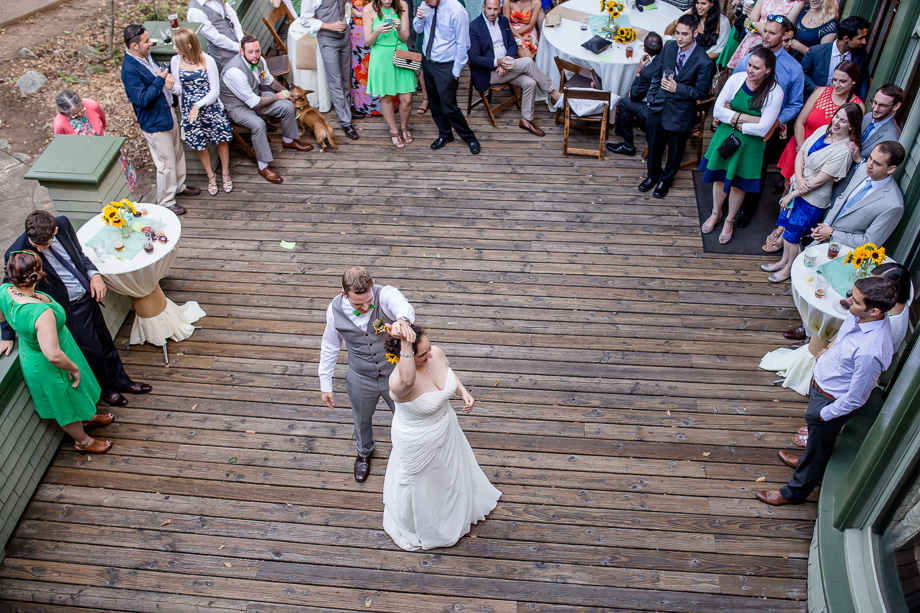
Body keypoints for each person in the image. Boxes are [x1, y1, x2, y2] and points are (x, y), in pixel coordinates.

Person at [756, 276, 897, 506]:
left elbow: (857, 397)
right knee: (816, 443)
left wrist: (824, 414)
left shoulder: (870, 352)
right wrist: (828, 350)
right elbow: (844, 337)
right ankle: (805, 459)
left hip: (830, 402)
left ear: (874, 311)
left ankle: (794, 493)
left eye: (856, 301)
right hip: (821, 387)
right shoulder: (860, 317)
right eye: (852, 295)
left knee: (820, 450)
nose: (847, 301)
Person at [1, 211, 152, 407]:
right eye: (35, 245)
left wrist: (94, 274)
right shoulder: (16, 253)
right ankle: (107, 390)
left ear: (55, 231)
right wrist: (6, 334)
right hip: (69, 308)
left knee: (106, 341)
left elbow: (79, 255)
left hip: (88, 295)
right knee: (93, 351)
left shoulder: (63, 224)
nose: (38, 249)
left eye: (43, 245)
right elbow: (9, 291)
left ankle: (122, 381)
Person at [382, 324, 502, 550]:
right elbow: (408, 381)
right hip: (418, 442)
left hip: (447, 428)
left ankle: (455, 508)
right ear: (406, 356)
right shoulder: (398, 383)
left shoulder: (434, 352)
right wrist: (405, 342)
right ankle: (429, 525)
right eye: (422, 354)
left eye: (428, 348)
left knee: (449, 474)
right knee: (423, 485)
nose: (430, 355)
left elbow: (447, 371)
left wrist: (463, 392)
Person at [0, 252, 113, 454]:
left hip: (43, 352)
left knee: (75, 393)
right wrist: (73, 367)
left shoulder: (4, 291)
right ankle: (83, 441)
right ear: (38, 273)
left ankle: (87, 417)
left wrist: (6, 335)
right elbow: (52, 355)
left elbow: (2, 314)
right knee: (65, 403)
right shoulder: (40, 313)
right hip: (52, 364)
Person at [318, 267, 416, 482]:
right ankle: (364, 452)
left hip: (394, 373)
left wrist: (402, 320)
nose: (364, 308)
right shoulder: (334, 310)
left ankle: (410, 452)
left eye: (368, 301)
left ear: (372, 285)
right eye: (357, 304)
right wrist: (325, 383)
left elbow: (403, 306)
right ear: (344, 294)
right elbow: (330, 346)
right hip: (360, 376)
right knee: (361, 419)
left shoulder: (385, 294)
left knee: (407, 415)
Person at [762, 102, 861, 283]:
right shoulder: (823, 130)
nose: (836, 122)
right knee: (787, 229)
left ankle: (789, 269)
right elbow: (801, 152)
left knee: (794, 235)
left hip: (812, 200)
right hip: (798, 186)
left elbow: (820, 180)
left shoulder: (844, 151)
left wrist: (792, 194)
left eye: (843, 121)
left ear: (851, 126)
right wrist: (799, 179)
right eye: (837, 116)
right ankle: (783, 261)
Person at [700, 46, 783, 244]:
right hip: (725, 137)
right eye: (749, 65)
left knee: (739, 184)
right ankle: (716, 213)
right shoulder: (736, 79)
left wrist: (734, 118)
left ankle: (729, 220)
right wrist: (749, 118)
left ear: (768, 70)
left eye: (756, 67)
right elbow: (718, 111)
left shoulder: (775, 92)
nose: (750, 70)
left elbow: (763, 129)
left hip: (750, 145)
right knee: (719, 178)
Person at [731, 15, 805, 229]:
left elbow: (795, 103)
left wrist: (776, 122)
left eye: (772, 33)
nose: (766, 36)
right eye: (765, 31)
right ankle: (729, 203)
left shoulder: (793, 69)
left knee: (756, 169)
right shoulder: (750, 57)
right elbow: (734, 84)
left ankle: (748, 208)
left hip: (768, 129)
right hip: (740, 122)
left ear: (785, 35)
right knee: (734, 161)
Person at [121, 24, 199, 216]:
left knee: (177, 152)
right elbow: (141, 100)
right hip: (154, 121)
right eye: (146, 41)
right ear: (134, 46)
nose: (151, 43)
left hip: (166, 111)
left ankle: (179, 186)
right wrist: (159, 80)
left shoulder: (146, 55)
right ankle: (166, 200)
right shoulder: (129, 70)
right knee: (165, 163)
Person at [220, 35, 313, 184]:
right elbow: (254, 103)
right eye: (250, 52)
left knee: (287, 106)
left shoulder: (260, 61)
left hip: (254, 97)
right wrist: (277, 96)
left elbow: (269, 81)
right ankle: (263, 166)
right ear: (241, 52)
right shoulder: (234, 72)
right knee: (258, 125)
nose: (255, 55)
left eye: (257, 51)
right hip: (236, 107)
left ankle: (289, 140)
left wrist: (285, 92)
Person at [640, 14, 714, 199]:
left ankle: (666, 179)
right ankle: (652, 175)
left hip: (681, 113)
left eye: (684, 34)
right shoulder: (670, 47)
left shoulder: (704, 61)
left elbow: (701, 92)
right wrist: (652, 97)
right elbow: (657, 73)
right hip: (658, 106)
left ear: (695, 33)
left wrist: (677, 88)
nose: (679, 38)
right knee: (654, 146)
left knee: (674, 152)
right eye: (677, 33)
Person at [469, 0, 561, 138]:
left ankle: (526, 120)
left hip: (506, 66)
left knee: (530, 83)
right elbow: (474, 58)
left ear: (499, 9)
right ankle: (553, 93)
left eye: (495, 9)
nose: (492, 12)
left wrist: (506, 60)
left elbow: (512, 44)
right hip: (488, 72)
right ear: (483, 7)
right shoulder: (474, 27)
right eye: (489, 9)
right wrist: (497, 62)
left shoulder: (503, 21)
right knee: (528, 62)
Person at [169, 28, 234, 197]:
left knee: (221, 140)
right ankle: (211, 176)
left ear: (188, 45)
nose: (174, 48)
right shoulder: (175, 60)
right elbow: (179, 89)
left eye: (177, 45)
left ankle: (225, 173)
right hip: (190, 111)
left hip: (210, 106)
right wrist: (170, 88)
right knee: (200, 144)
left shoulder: (208, 61)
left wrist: (198, 104)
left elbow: (215, 91)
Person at [775, 60, 861, 181]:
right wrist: (802, 148)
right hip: (800, 144)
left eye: (842, 81)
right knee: (787, 185)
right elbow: (800, 122)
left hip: (823, 159)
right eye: (835, 80)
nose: (837, 85)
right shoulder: (821, 92)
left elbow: (850, 138)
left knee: (807, 188)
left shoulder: (857, 106)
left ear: (853, 81)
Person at [811, 140, 906, 249]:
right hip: (821, 239)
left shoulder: (893, 205)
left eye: (877, 163)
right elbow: (842, 199)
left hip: (845, 252)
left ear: (891, 169)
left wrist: (832, 234)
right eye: (870, 158)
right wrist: (825, 226)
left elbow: (869, 243)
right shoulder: (862, 169)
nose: (869, 165)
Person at [414, 0, 481, 154]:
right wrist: (419, 19)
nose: (426, 3)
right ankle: (445, 134)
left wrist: (456, 71)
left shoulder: (457, 10)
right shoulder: (426, 4)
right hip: (428, 61)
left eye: (429, 0)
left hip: (446, 66)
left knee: (449, 106)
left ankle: (469, 137)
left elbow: (463, 44)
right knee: (435, 103)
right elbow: (418, 29)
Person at [300, 0, 363, 140]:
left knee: (346, 76)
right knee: (336, 80)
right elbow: (304, 20)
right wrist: (328, 25)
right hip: (328, 40)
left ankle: (347, 109)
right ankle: (345, 122)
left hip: (344, 36)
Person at [830, 84, 903, 203]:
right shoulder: (868, 117)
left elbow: (880, 174)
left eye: (882, 105)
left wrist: (859, 160)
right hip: (834, 174)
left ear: (896, 106)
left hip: (848, 186)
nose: (875, 108)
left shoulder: (892, 138)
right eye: (874, 102)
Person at [53, 91, 138, 194]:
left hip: (105, 144)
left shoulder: (91, 105)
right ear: (65, 112)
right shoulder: (60, 123)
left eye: (81, 109)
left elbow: (102, 120)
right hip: (87, 157)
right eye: (75, 115)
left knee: (119, 172)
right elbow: (64, 144)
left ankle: (128, 191)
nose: (80, 114)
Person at [364, 0, 416, 147]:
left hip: (401, 52)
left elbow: (405, 37)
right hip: (381, 56)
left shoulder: (402, 5)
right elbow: (368, 42)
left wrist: (398, 29)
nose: (387, 1)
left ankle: (404, 127)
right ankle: (394, 130)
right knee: (386, 97)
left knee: (407, 98)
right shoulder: (368, 9)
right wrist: (377, 31)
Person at [606, 32, 664, 156]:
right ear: (663, 46)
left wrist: (639, 71)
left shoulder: (647, 72)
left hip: (658, 113)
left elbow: (634, 96)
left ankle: (628, 145)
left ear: (645, 50)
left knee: (624, 103)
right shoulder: (670, 58)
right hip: (672, 106)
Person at [801, 16, 871, 101]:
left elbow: (863, 79)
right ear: (846, 38)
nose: (864, 42)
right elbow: (802, 72)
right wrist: (815, 89)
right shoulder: (816, 52)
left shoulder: (861, 54)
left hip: (843, 103)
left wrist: (859, 101)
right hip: (815, 100)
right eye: (860, 38)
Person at [726, 0, 804, 70]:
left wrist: (755, 24)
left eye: (771, 31)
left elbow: (783, 31)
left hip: (771, 45)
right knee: (742, 72)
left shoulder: (797, 3)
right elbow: (748, 23)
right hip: (751, 41)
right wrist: (754, 24)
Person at [187, 0, 245, 69]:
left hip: (241, 45)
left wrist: (241, 39)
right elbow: (215, 38)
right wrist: (239, 47)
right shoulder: (194, 11)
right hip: (225, 55)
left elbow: (232, 15)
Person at [665, 0, 731, 59]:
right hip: (685, 56)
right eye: (697, 3)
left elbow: (721, 49)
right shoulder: (691, 14)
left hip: (706, 60)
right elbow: (667, 34)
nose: (699, 7)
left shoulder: (722, 22)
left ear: (712, 3)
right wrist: (679, 20)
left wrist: (698, 59)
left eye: (703, 3)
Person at [351, 0, 384, 118]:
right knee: (360, 68)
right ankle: (363, 105)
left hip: (378, 25)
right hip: (358, 30)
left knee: (379, 66)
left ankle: (382, 106)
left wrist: (361, 14)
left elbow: (388, 6)